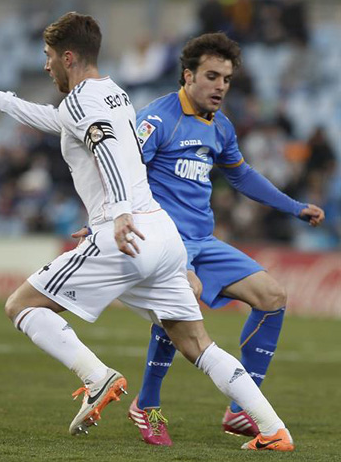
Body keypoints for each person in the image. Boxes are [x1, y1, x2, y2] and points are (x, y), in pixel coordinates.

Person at [0, 12, 294, 451]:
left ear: (67, 57)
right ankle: (274, 431)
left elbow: (108, 154)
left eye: (48, 57)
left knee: (22, 305)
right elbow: (60, 120)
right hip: (163, 235)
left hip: (126, 233)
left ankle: (97, 377)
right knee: (197, 343)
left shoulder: (85, 102)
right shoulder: (111, 93)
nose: (45, 66)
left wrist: (118, 214)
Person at [123, 32, 324, 446]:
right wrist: (106, 219)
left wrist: (293, 207)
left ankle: (241, 407)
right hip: (165, 243)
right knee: (183, 300)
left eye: (227, 79)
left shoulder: (222, 127)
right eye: (212, 76)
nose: (220, 86)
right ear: (187, 76)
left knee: (272, 297)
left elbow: (241, 175)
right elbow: (122, 173)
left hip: (203, 240)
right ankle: (147, 404)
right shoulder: (158, 119)